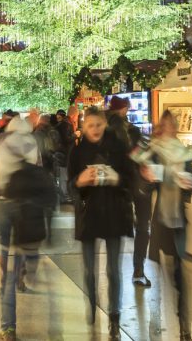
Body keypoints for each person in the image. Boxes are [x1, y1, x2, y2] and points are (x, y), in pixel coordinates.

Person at [68, 106, 134, 341]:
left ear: (104, 124)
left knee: (113, 270)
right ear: (83, 127)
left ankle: (114, 317)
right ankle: (92, 304)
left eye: (98, 125)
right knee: (89, 270)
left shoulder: (118, 147)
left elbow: (130, 178)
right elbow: (70, 185)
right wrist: (79, 181)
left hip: (114, 214)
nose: (95, 129)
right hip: (89, 215)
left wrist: (118, 179)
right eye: (90, 125)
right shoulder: (77, 152)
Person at [141, 111, 192, 340]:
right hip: (161, 219)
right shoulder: (154, 151)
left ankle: (185, 325)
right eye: (165, 126)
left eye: (171, 126)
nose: (169, 129)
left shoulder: (183, 152)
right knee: (159, 270)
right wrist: (147, 179)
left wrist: (189, 183)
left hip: (178, 222)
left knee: (180, 274)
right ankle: (157, 319)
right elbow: (146, 186)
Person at [0, 113, 41, 341]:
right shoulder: (33, 144)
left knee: (6, 270)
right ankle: (23, 266)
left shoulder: (1, 143)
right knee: (19, 254)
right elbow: (39, 173)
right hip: (26, 206)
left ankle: (7, 326)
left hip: (2, 204)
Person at [106, 96, 152, 287]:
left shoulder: (103, 130)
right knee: (142, 226)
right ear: (124, 109)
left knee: (115, 227)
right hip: (137, 183)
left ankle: (113, 271)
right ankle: (138, 269)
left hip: (116, 184)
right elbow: (143, 153)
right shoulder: (132, 131)